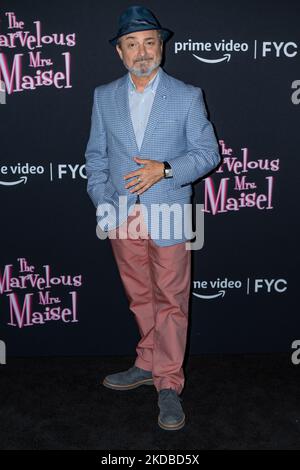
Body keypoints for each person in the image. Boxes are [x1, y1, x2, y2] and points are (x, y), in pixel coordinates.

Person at [85, 5, 221, 431]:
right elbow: (95, 157)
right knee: (140, 298)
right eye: (131, 44)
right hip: (122, 215)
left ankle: (168, 382)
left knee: (171, 302)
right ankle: (147, 362)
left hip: (169, 214)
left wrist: (163, 169)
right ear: (120, 53)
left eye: (148, 42)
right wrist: (104, 203)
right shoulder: (104, 96)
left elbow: (207, 155)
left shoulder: (185, 95)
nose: (141, 51)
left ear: (160, 47)